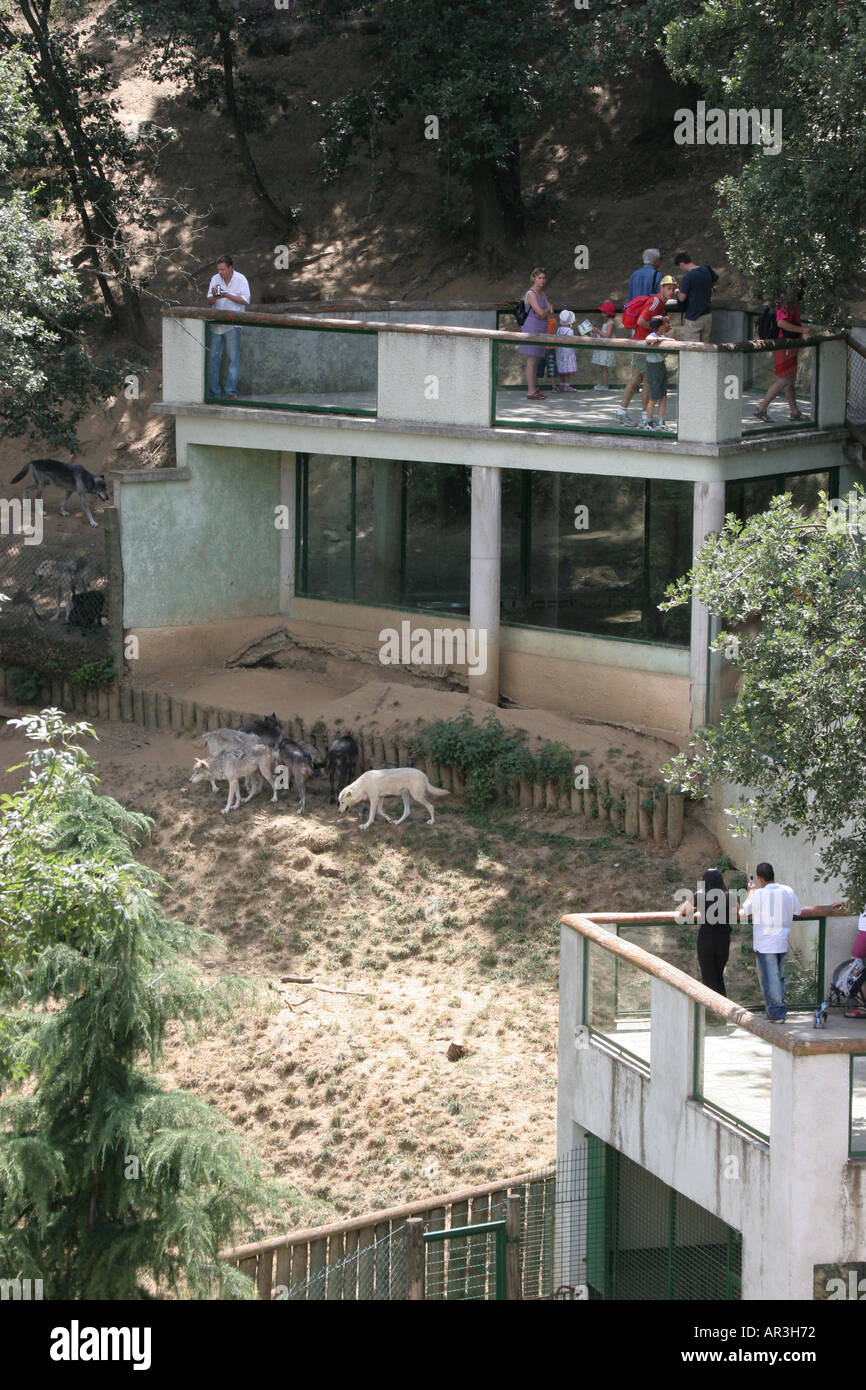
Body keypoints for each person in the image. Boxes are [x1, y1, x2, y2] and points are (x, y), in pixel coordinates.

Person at [740, 862, 843, 1022]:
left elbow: (746, 910)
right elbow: (797, 910)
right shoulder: (787, 891)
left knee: (770, 979)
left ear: (760, 878)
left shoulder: (759, 894)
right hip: (781, 941)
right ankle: (776, 1010)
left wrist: (751, 892)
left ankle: (776, 1014)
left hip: (765, 944)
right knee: (778, 977)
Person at [754, 288, 809, 423]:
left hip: (789, 344)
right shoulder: (784, 301)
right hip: (784, 344)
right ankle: (761, 409)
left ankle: (794, 412)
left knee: (789, 379)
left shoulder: (790, 300)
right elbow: (781, 323)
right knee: (785, 379)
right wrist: (803, 330)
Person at [616, 284, 667, 426]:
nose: (670, 291)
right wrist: (659, 329)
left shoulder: (659, 303)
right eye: (667, 288)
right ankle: (645, 417)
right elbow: (641, 321)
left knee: (638, 379)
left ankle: (623, 412)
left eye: (672, 288)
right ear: (661, 288)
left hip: (642, 343)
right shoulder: (656, 302)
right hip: (643, 345)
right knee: (646, 380)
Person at [207, 255, 251, 398]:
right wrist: (215, 296)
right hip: (216, 324)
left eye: (223, 269)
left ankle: (231, 391)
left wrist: (227, 295)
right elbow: (209, 300)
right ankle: (214, 392)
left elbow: (245, 300)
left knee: (233, 359)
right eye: (219, 269)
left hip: (233, 324)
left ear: (230, 268)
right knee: (213, 359)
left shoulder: (241, 279)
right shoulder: (215, 279)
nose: (221, 272)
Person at [519, 268, 554, 400]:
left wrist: (546, 311)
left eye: (544, 278)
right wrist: (546, 310)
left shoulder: (542, 294)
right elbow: (541, 312)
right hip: (532, 328)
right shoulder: (531, 294)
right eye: (539, 277)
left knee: (536, 360)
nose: (542, 280)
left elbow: (549, 310)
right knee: (531, 360)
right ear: (533, 278)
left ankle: (534, 388)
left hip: (541, 328)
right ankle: (531, 391)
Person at [673, 252, 718, 342]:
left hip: (693, 316)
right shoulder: (706, 269)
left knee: (692, 347)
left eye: (680, 268)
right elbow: (716, 280)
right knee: (705, 345)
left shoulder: (688, 276)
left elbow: (682, 298)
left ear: (682, 264)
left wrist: (677, 291)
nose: (681, 270)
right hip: (707, 314)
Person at [642, 314, 673, 432]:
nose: (667, 325)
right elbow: (648, 340)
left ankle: (661, 421)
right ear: (660, 326)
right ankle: (648, 422)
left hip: (661, 365)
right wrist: (663, 340)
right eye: (665, 323)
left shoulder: (662, 336)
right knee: (654, 397)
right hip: (653, 367)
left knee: (663, 396)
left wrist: (665, 339)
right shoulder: (652, 336)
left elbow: (664, 354)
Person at [591, 300, 617, 389]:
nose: (601, 313)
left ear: (607, 313)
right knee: (602, 367)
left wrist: (598, 331)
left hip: (606, 349)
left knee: (604, 367)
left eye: (603, 312)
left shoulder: (610, 324)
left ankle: (605, 385)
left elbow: (607, 335)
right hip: (603, 348)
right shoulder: (606, 323)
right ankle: (603, 383)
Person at [555, 310, 577, 392]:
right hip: (568, 353)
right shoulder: (570, 331)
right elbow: (571, 341)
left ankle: (561, 384)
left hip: (560, 352)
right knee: (567, 370)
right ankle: (567, 385)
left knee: (561, 369)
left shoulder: (559, 329)